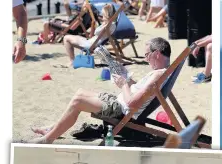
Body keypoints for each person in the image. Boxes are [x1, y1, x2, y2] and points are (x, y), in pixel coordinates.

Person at [31, 37, 172, 144]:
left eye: (147, 55)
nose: (146, 59)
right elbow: (141, 92)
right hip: (119, 103)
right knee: (80, 92)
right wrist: (126, 78)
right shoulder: (162, 72)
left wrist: (123, 85)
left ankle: (48, 139)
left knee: (78, 101)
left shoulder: (158, 75)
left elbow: (132, 104)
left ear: (157, 54)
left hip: (121, 111)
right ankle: (53, 128)